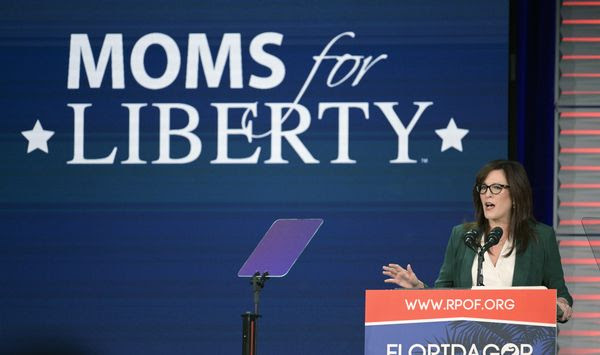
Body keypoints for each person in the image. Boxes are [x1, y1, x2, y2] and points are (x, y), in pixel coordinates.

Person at [382, 159, 573, 322]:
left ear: (515, 195)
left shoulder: (541, 237)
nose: (487, 193)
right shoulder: (463, 236)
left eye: (496, 188)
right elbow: (443, 296)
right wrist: (418, 288)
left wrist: (559, 307)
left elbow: (562, 297)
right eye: (483, 188)